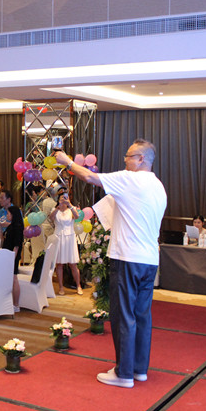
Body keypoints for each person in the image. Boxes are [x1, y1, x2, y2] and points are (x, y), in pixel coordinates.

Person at [56, 139, 167, 389]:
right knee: (142, 315)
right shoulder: (158, 186)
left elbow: (89, 177)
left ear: (141, 159)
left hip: (127, 257)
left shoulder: (130, 179)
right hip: (149, 259)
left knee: (123, 315)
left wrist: (67, 162)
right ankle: (139, 369)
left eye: (129, 156)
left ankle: (124, 373)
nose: (125, 161)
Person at [0, 190, 24, 311]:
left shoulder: (17, 228)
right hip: (7, 253)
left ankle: (16, 305)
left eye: (8, 214)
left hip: (12, 256)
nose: (7, 216)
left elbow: (17, 246)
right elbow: (2, 238)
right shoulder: (10, 226)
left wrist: (12, 259)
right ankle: (7, 302)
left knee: (13, 278)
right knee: (7, 278)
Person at [48, 192, 82, 295]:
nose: (64, 200)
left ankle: (78, 285)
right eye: (62, 198)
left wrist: (69, 205)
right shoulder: (55, 210)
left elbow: (77, 217)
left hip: (69, 238)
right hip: (59, 237)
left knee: (73, 264)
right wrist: (57, 207)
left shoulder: (71, 209)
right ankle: (61, 287)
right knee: (59, 264)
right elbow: (51, 218)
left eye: (66, 198)